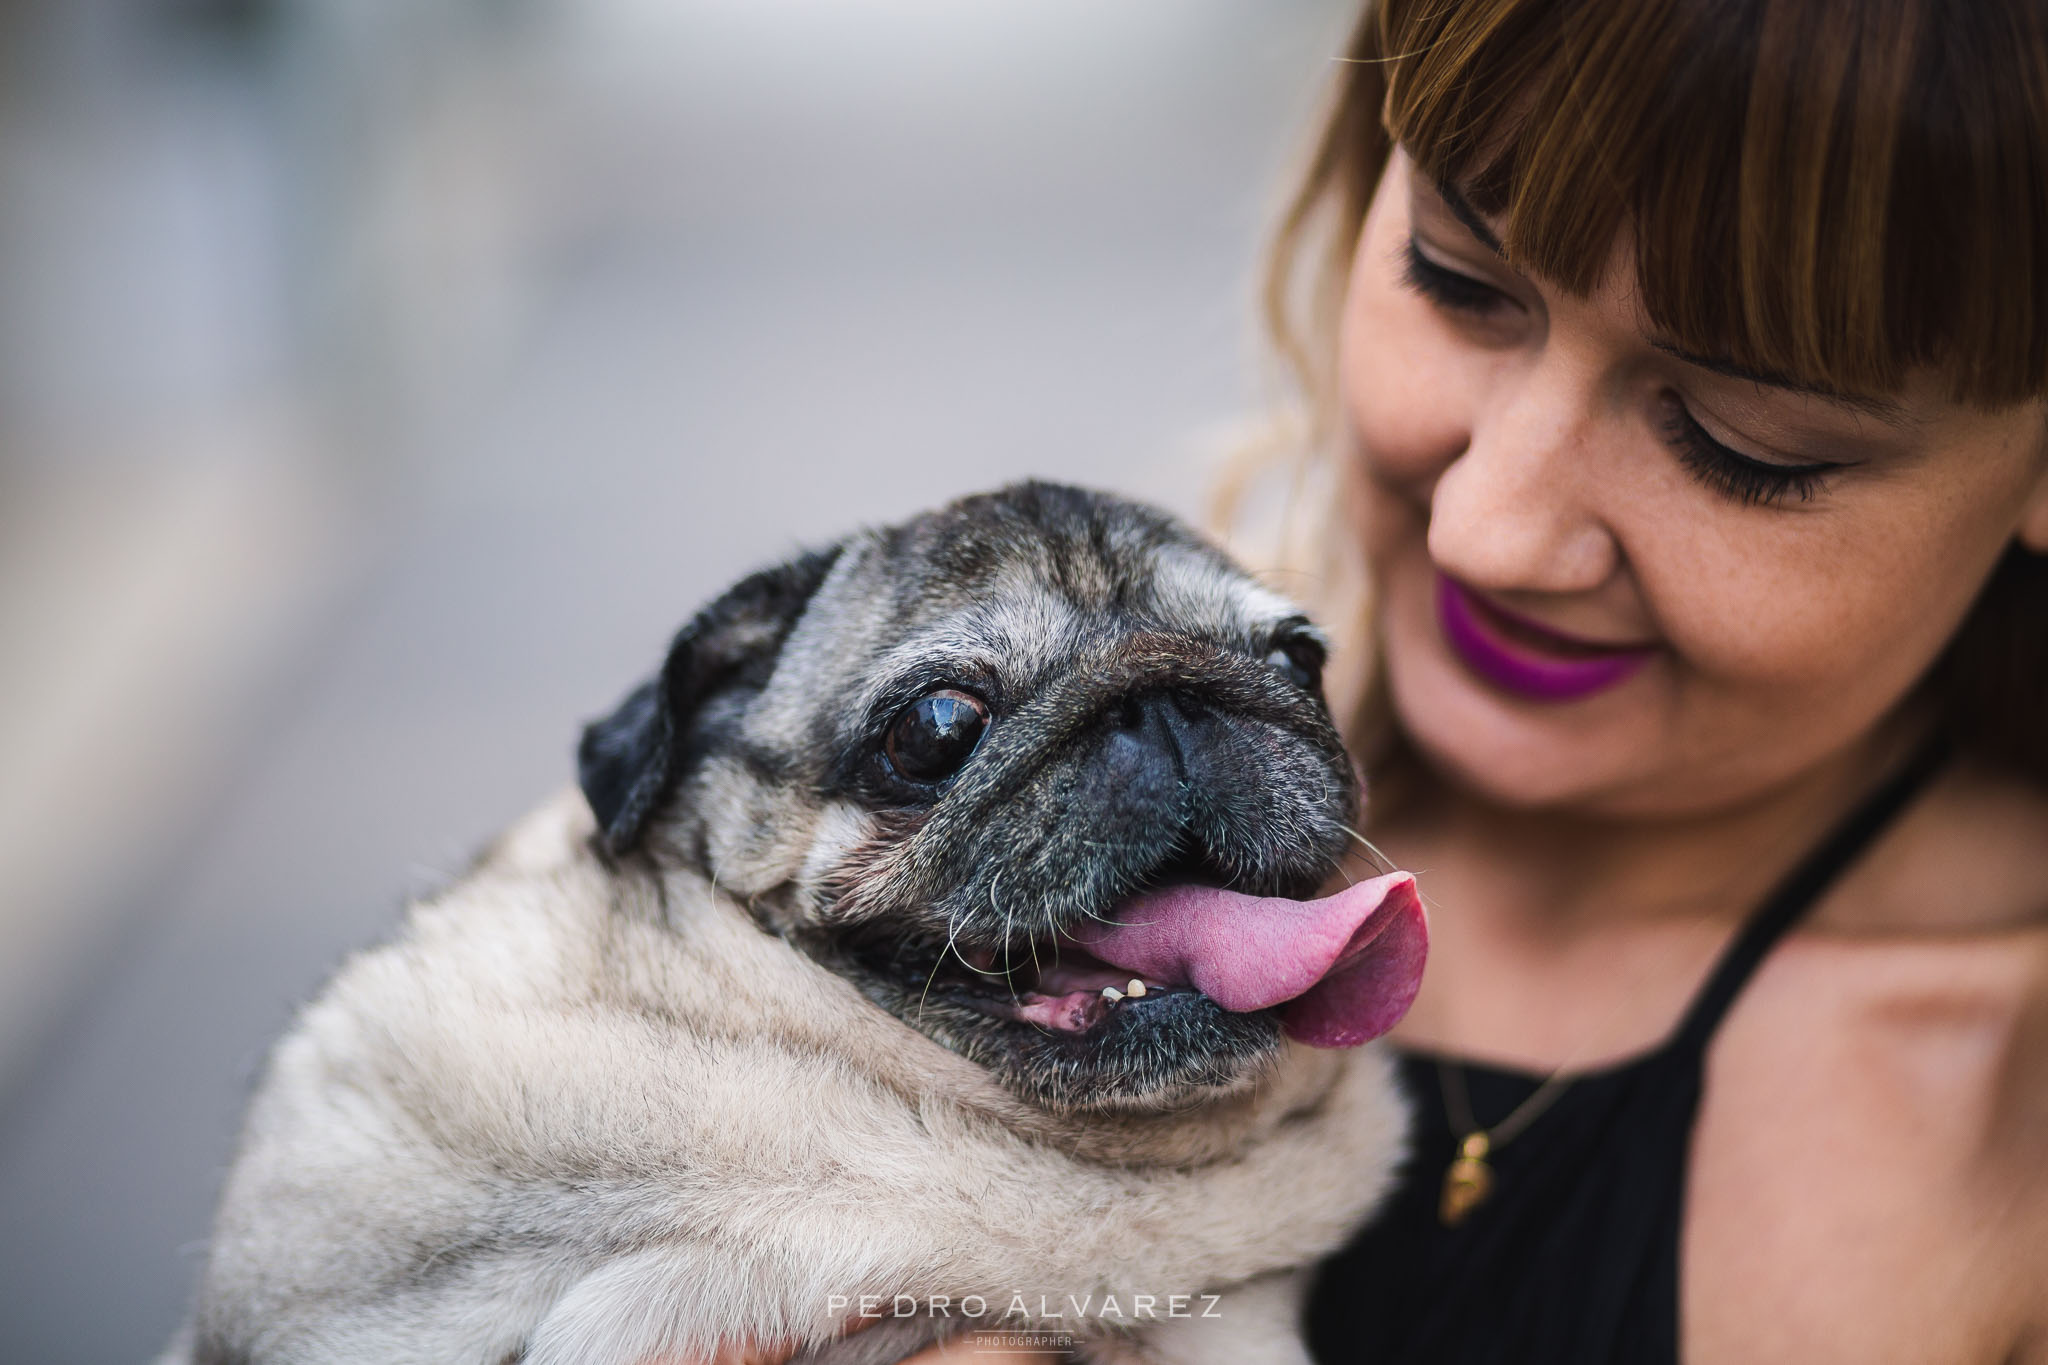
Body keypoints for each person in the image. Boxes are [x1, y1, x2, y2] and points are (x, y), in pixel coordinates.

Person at [705, 0, 2048, 1360]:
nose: (1487, 529)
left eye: (1741, 441)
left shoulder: (2006, 1157)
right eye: (1458, 279)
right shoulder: (1047, 755)